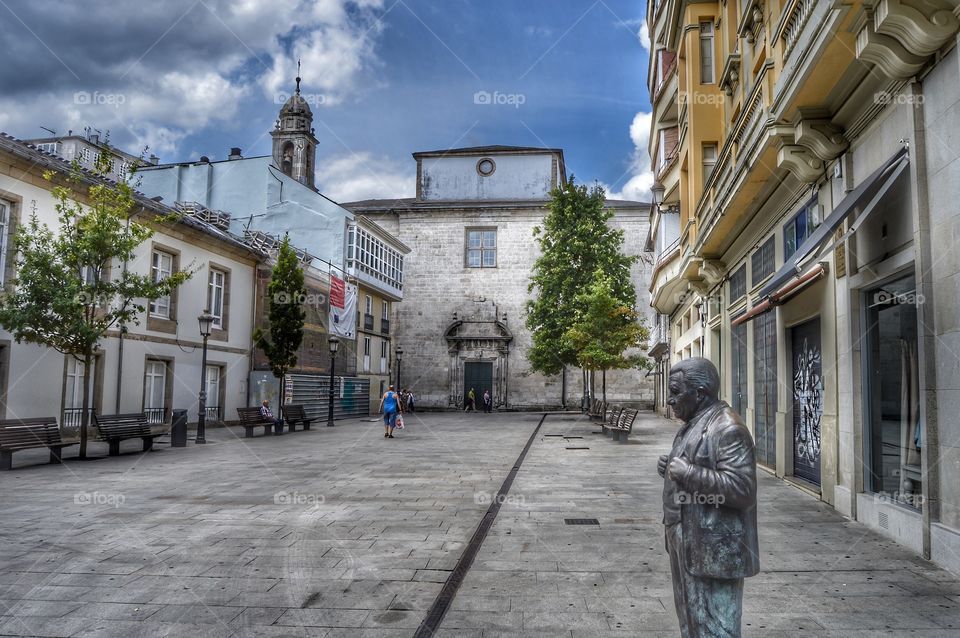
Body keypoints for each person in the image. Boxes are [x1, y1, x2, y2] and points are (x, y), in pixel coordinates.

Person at [657, 357, 759, 638]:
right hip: (688, 540)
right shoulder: (693, 423)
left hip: (713, 547)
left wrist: (688, 472)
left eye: (676, 392)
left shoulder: (728, 428)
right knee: (690, 620)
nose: (669, 399)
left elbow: (742, 489)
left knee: (714, 628)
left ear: (700, 393)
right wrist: (670, 468)